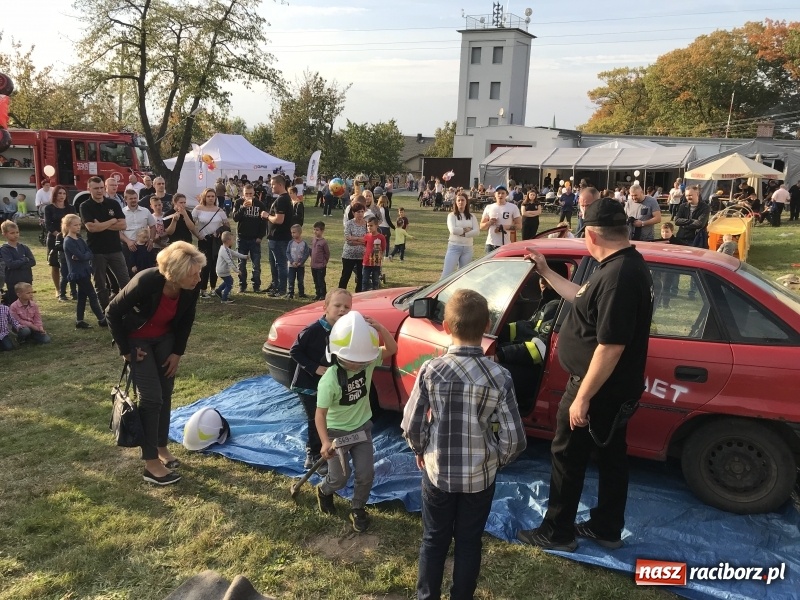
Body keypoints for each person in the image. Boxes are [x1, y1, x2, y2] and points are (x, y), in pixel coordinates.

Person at [517, 197, 653, 552]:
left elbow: (611, 346)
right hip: (612, 389)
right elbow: (581, 297)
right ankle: (607, 527)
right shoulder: (622, 266)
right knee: (610, 458)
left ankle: (557, 532)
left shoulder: (617, 277)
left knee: (567, 458)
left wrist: (583, 398)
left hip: (598, 391)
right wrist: (546, 271)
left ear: (592, 235)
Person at [401, 289, 526, 600]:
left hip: (437, 472)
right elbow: (515, 439)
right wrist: (495, 459)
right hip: (479, 477)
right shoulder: (500, 376)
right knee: (469, 542)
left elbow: (411, 423)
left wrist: (420, 450)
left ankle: (427, 596)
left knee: (433, 539)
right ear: (487, 325)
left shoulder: (431, 370)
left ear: (445, 326)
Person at [106, 241, 206, 485]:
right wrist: (126, 351)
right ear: (176, 274)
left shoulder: (191, 287)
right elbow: (112, 312)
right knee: (151, 398)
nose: (198, 278)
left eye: (199, 272)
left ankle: (161, 447)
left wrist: (177, 353)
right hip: (138, 342)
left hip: (165, 340)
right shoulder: (146, 281)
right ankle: (150, 463)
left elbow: (186, 320)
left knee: (166, 393)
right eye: (193, 274)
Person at [314, 311, 398, 532]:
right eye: (353, 362)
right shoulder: (329, 381)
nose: (359, 366)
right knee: (340, 478)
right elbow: (319, 414)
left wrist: (380, 328)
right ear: (337, 355)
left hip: (362, 430)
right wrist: (324, 442)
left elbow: (392, 349)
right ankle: (324, 490)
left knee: (366, 473)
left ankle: (358, 507)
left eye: (363, 361)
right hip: (336, 434)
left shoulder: (366, 363)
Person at [290, 288, 352, 471]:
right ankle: (314, 452)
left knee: (328, 416)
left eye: (347, 307)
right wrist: (315, 368)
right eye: (337, 305)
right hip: (308, 384)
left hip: (328, 384)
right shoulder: (313, 330)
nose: (342, 310)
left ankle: (328, 446)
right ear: (325, 307)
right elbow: (295, 351)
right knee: (315, 418)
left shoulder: (343, 330)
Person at [78, 176, 130, 309]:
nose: (100, 191)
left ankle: (126, 308)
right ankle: (106, 312)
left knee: (125, 282)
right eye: (96, 188)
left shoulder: (113, 204)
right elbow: (92, 228)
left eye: (101, 187)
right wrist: (112, 221)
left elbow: (123, 225)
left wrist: (102, 225)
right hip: (97, 251)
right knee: (101, 285)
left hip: (115, 249)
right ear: (89, 189)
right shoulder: (85, 206)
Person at [62, 214, 108, 329]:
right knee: (92, 295)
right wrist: (83, 256)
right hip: (78, 272)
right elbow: (82, 256)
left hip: (85, 270)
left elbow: (89, 253)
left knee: (82, 296)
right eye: (75, 225)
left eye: (79, 225)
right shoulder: (68, 241)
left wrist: (83, 256)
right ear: (68, 226)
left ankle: (79, 320)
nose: (78, 227)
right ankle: (101, 319)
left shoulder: (79, 239)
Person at [192, 188, 229, 299]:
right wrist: (198, 235)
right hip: (204, 240)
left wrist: (219, 232)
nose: (211, 198)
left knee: (214, 265)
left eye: (213, 196)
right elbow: (191, 224)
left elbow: (227, 225)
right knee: (205, 265)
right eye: (208, 196)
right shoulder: (198, 209)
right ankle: (203, 290)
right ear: (204, 197)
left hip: (216, 241)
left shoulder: (219, 210)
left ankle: (213, 289)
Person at [44, 184, 76, 301]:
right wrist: (59, 235)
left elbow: (75, 221)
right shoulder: (49, 208)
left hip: (70, 238)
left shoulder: (71, 208)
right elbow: (48, 225)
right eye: (59, 193)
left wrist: (69, 236)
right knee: (55, 264)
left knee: (70, 264)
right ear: (55, 195)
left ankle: (73, 290)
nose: (62, 196)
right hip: (54, 238)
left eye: (64, 193)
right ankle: (58, 289)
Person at [232, 183, 267, 293]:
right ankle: (242, 285)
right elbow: (235, 218)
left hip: (254, 239)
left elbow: (263, 222)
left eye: (251, 194)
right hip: (242, 238)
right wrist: (243, 208)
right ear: (243, 194)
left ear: (254, 193)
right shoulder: (238, 202)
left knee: (256, 264)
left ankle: (256, 285)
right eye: (246, 194)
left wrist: (260, 236)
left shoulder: (260, 204)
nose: (249, 196)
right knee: (241, 264)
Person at [262, 175, 292, 297]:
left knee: (280, 264)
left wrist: (267, 216)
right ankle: (275, 285)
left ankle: (281, 289)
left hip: (279, 237)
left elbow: (279, 220)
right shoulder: (283, 198)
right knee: (275, 263)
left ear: (280, 185)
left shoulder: (282, 200)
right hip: (275, 237)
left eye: (273, 184)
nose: (271, 186)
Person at [442, 192, 479, 278]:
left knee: (463, 276)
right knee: (446, 274)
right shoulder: (451, 216)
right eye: (458, 200)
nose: (460, 202)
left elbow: (476, 232)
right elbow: (453, 230)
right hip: (454, 247)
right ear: (456, 202)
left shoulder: (472, 216)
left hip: (468, 248)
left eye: (463, 200)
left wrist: (463, 234)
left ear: (466, 202)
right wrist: (466, 230)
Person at [120, 189, 156, 275]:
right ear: (125, 200)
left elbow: (153, 227)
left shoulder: (145, 211)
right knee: (130, 272)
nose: (133, 200)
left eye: (135, 198)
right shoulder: (121, 212)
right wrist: (128, 241)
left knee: (147, 272)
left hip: (144, 247)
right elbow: (117, 231)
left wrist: (151, 240)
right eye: (131, 198)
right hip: (129, 247)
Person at [1, 220, 36, 305]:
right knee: (15, 302)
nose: (16, 235)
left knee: (28, 300)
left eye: (17, 232)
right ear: (5, 234)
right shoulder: (4, 249)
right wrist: (24, 260)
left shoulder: (24, 247)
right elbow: (11, 264)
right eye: (12, 233)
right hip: (13, 280)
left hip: (26, 278)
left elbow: (32, 261)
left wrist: (19, 264)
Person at [479, 185, 521, 253]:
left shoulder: (513, 207)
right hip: (490, 244)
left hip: (505, 244)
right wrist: (489, 223)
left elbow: (519, 226)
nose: (500, 195)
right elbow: (481, 226)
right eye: (498, 193)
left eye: (503, 193)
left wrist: (504, 227)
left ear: (506, 194)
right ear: (495, 194)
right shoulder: (489, 207)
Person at [338, 202, 367, 292]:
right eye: (358, 212)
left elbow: (367, 240)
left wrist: (354, 238)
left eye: (362, 211)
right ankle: (340, 293)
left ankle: (358, 294)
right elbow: (348, 240)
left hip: (362, 256)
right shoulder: (349, 224)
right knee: (345, 275)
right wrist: (360, 240)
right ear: (354, 213)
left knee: (361, 276)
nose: (360, 214)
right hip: (348, 255)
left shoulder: (366, 224)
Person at [214, 231, 247, 304]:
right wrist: (237, 270)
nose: (233, 241)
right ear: (228, 240)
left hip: (221, 270)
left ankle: (218, 291)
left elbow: (235, 254)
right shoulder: (224, 250)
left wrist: (245, 257)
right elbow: (230, 261)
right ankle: (224, 298)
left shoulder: (225, 249)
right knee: (229, 283)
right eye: (232, 239)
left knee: (228, 281)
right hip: (222, 271)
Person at [286, 224, 311, 299]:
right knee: (291, 280)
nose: (292, 234)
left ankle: (301, 293)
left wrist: (301, 262)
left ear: (299, 233)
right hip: (291, 266)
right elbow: (287, 252)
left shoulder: (304, 243)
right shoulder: (290, 243)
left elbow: (306, 253)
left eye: (294, 232)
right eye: (291, 232)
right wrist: (292, 261)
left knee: (300, 280)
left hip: (301, 266)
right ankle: (290, 293)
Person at [362, 216, 386, 292]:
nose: (369, 227)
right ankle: (363, 294)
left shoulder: (381, 237)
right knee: (365, 280)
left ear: (376, 225)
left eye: (371, 225)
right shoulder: (366, 236)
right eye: (368, 226)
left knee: (375, 280)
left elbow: (383, 247)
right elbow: (365, 245)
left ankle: (375, 295)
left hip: (376, 262)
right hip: (366, 262)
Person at [310, 221, 330, 301]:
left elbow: (327, 253)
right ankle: (317, 294)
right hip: (313, 265)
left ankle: (323, 294)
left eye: (317, 230)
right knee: (315, 281)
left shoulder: (323, 242)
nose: (315, 231)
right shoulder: (314, 240)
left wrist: (324, 262)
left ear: (322, 231)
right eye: (314, 229)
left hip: (320, 266)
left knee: (321, 280)